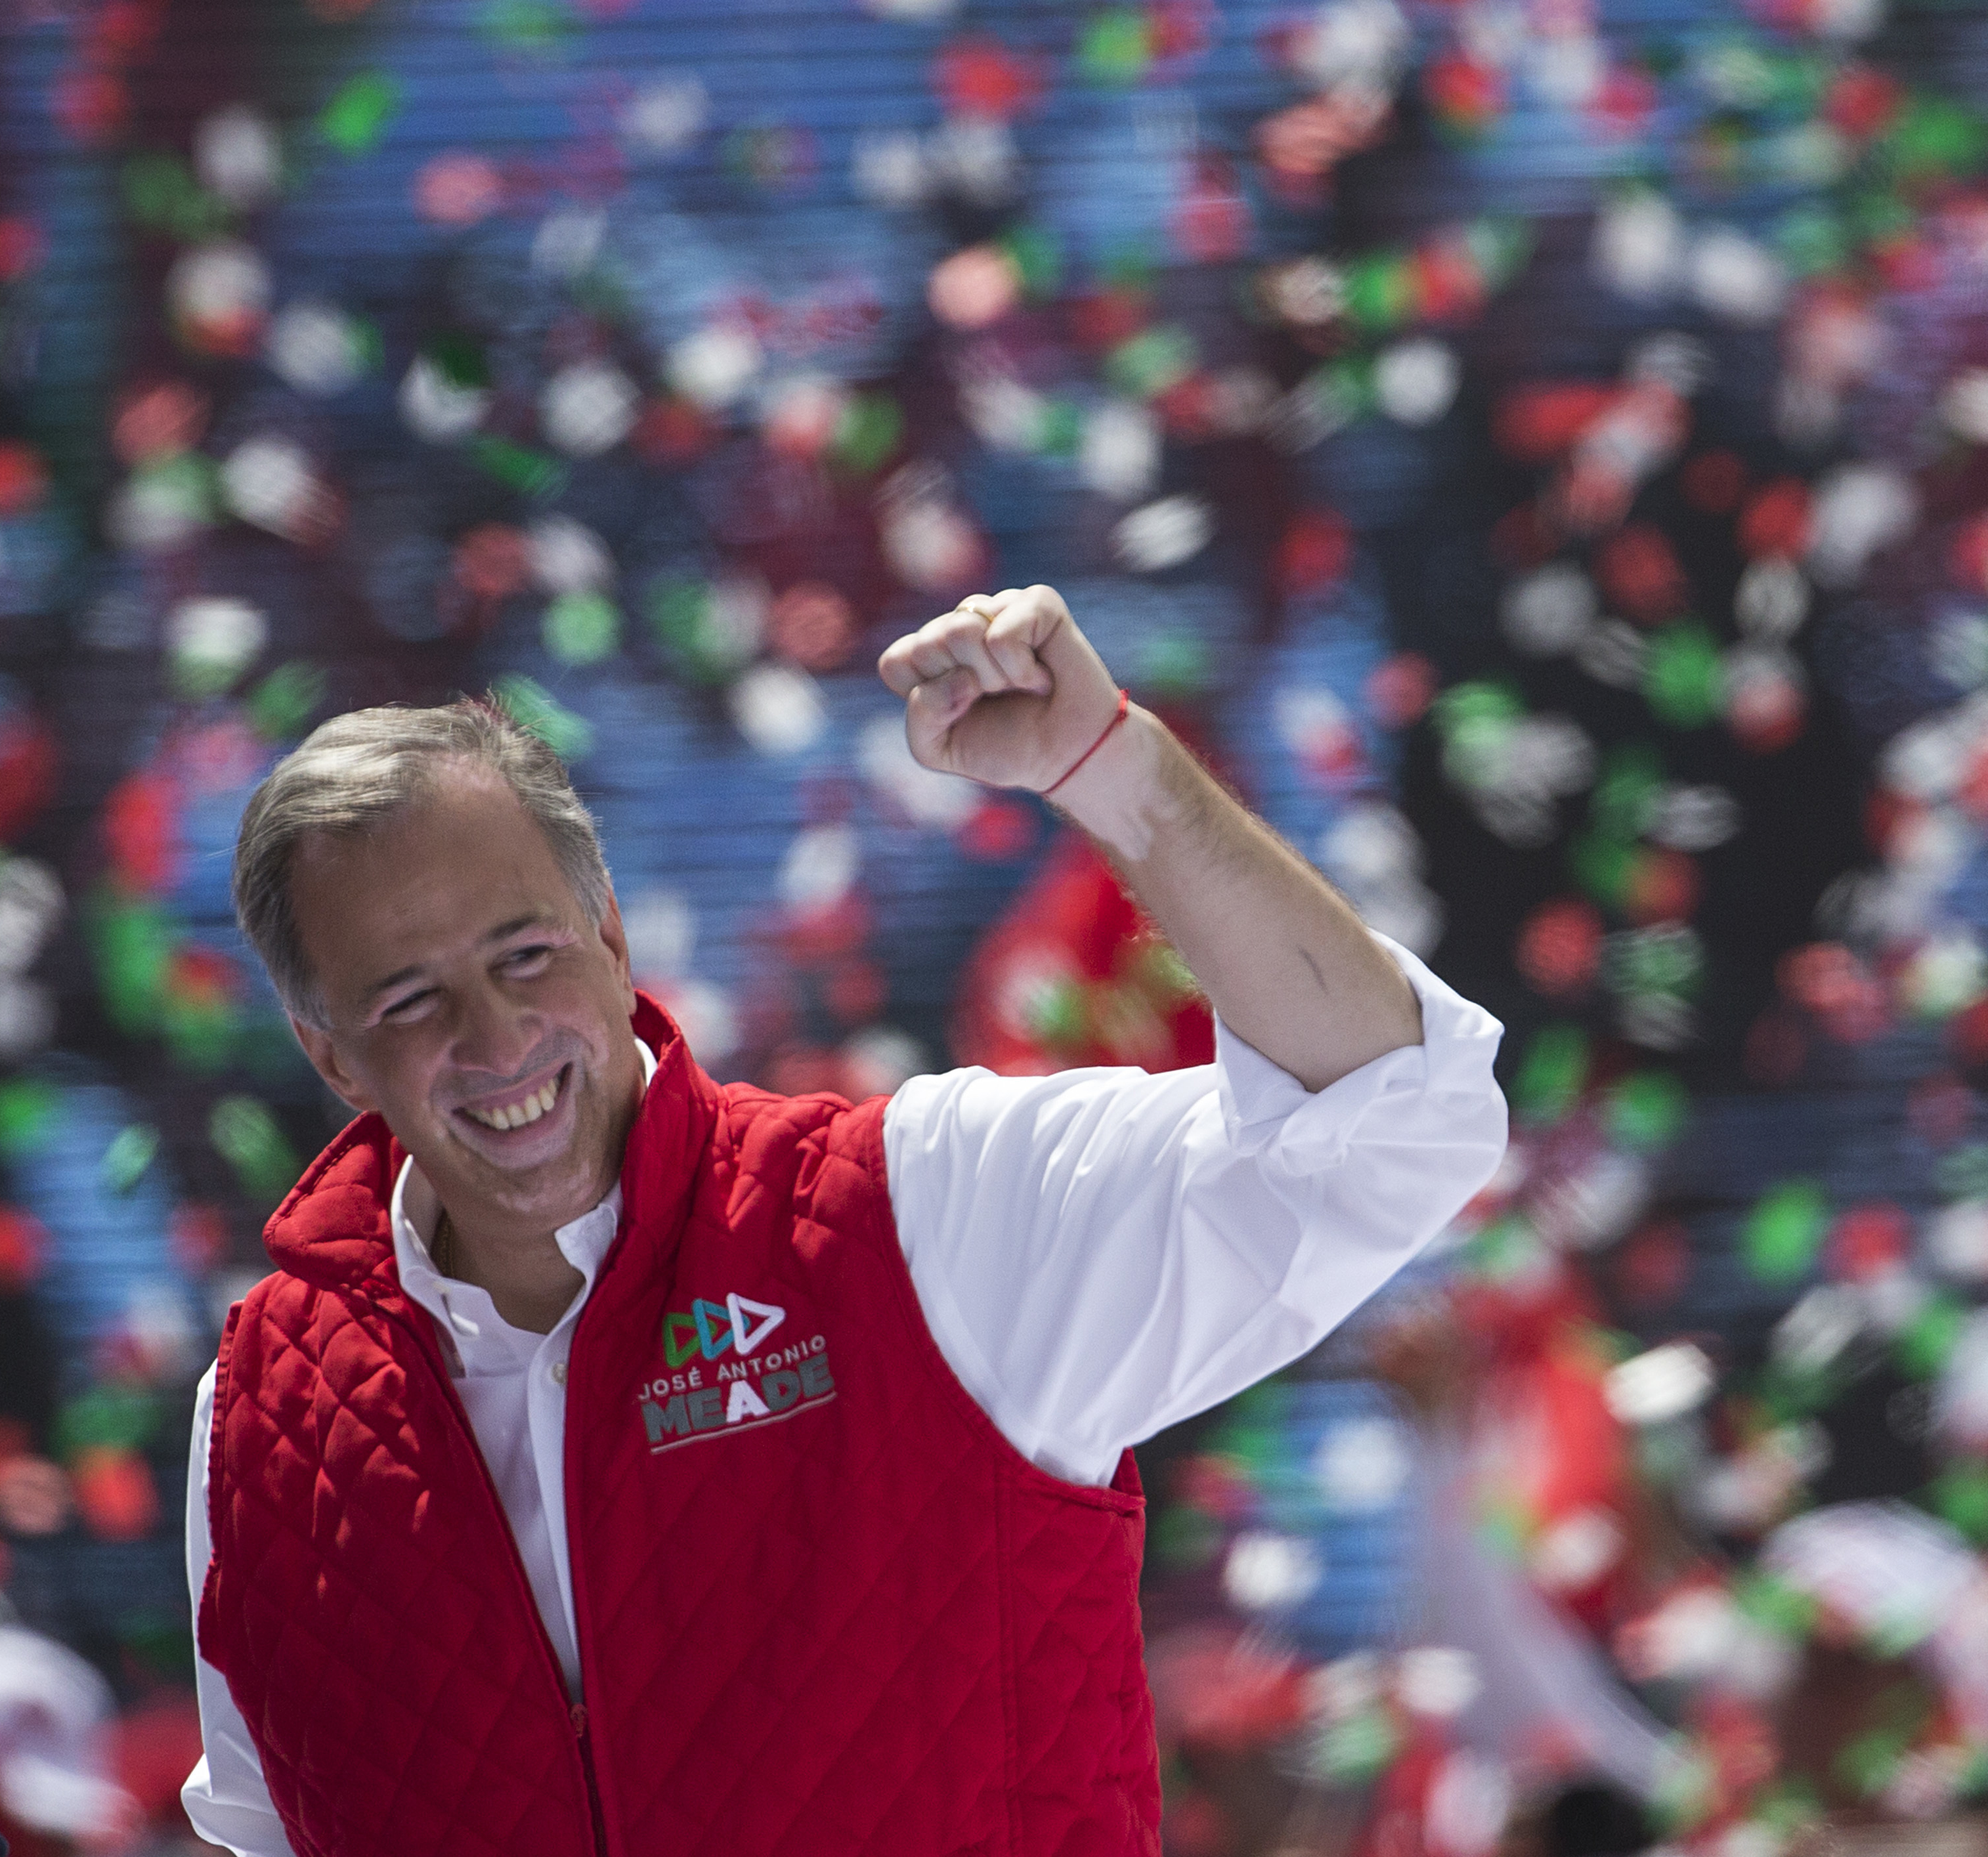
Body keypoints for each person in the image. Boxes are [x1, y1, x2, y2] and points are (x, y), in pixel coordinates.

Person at [177, 585, 1511, 1856]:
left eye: (525, 954)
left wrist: (1110, 764)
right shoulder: (259, 1410)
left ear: (612, 931)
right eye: (408, 998)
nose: (495, 1036)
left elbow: (1397, 1115)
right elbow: (268, 1825)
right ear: (331, 1053)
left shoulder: (918, 1210)